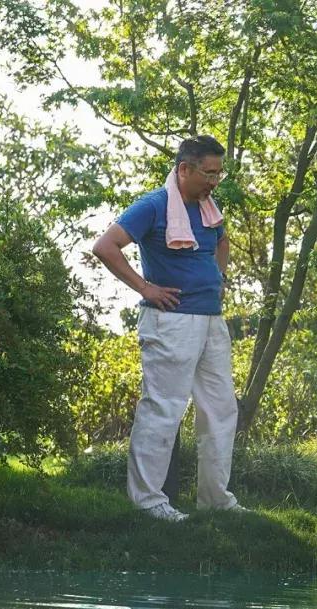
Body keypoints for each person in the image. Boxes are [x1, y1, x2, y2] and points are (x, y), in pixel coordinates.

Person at [92, 135, 243, 521]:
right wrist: (145, 288)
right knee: (163, 408)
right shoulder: (154, 205)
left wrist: (217, 278)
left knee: (221, 408)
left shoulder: (209, 207)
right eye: (208, 173)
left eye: (218, 174)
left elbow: (223, 241)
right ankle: (147, 501)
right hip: (171, 322)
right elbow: (106, 246)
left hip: (211, 320)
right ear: (184, 169)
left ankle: (215, 499)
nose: (214, 181)